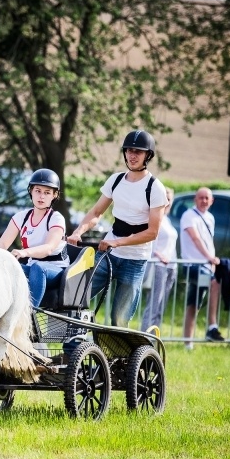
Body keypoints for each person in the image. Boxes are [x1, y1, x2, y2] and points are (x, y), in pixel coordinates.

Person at [67, 130, 168, 327]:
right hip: (108, 256)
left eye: (138, 152)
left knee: (119, 320)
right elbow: (96, 212)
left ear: (148, 155)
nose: (132, 155)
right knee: (75, 297)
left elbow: (152, 232)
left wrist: (117, 242)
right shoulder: (116, 180)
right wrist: (78, 232)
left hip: (135, 261)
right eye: (129, 150)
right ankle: (76, 342)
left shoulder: (155, 188)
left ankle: (119, 347)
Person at [0, 168, 68, 307]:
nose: (41, 196)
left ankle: (29, 313)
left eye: (47, 192)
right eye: (38, 191)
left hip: (56, 269)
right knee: (5, 267)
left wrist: (24, 252)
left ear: (54, 195)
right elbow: (2, 244)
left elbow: (49, 248)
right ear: (31, 191)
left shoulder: (56, 218)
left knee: (38, 268)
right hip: (32, 266)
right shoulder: (21, 217)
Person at [180, 187, 223, 349]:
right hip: (193, 265)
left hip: (206, 266)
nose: (204, 201)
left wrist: (211, 261)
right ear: (195, 199)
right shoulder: (188, 216)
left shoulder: (210, 217)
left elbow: (208, 242)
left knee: (194, 303)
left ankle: (187, 343)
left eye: (207, 198)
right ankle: (212, 326)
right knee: (214, 283)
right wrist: (209, 257)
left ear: (211, 201)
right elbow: (195, 238)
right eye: (201, 197)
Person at [141, 187, 177, 331]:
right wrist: (158, 254)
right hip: (158, 266)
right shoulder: (154, 218)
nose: (167, 202)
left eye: (169, 199)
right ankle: (145, 336)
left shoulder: (167, 220)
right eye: (165, 198)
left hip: (171, 267)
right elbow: (148, 241)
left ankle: (155, 338)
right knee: (153, 305)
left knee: (161, 306)